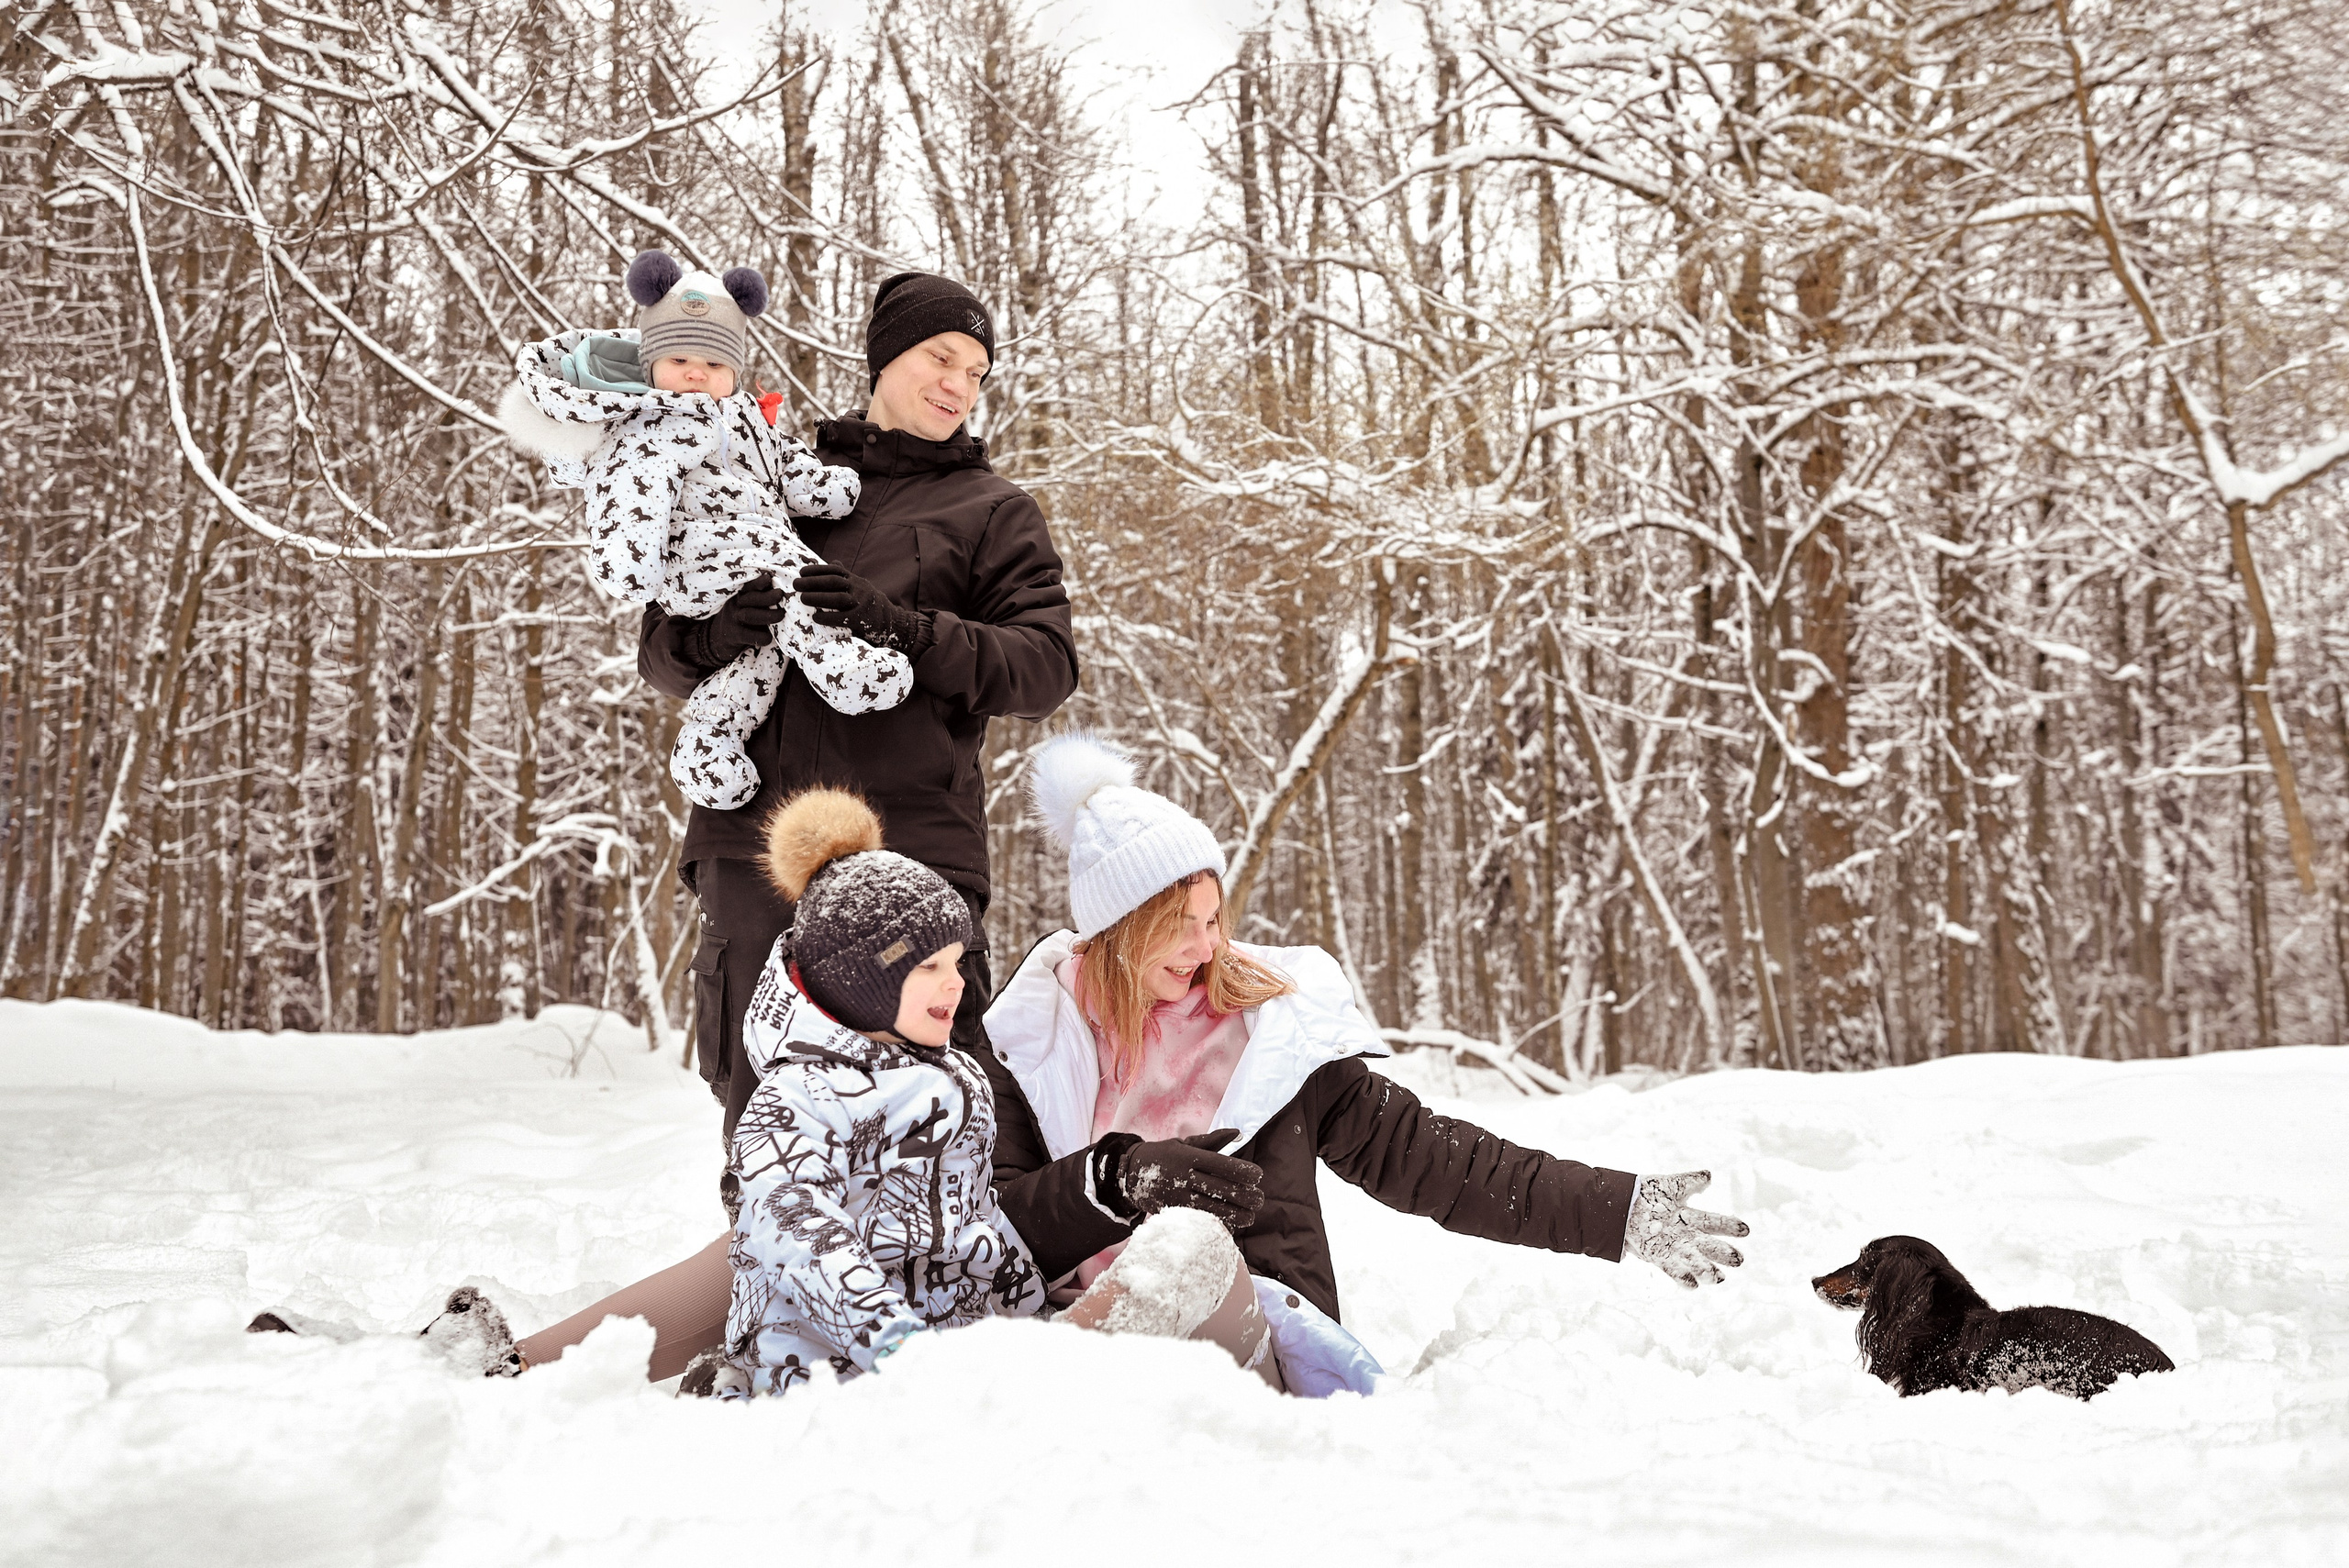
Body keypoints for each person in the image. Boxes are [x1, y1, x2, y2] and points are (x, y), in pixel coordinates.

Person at [510, 271, 1080, 1381]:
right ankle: (774, 1341)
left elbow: (1043, 666)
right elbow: (659, 649)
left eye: (974, 371)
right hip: (751, 839)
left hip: (906, 859)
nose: (958, 385)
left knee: (928, 1107)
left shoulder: (992, 510)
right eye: (938, 362)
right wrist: (719, 632)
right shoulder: (772, 469)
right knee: (763, 1100)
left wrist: (904, 627)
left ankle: (943, 1355)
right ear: (885, 362)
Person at [972, 735, 1754, 1395]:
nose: (1206, 946)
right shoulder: (1031, 1047)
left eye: (1213, 919)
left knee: (1186, 1248)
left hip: (1242, 1357)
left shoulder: (1273, 1042)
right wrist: (1114, 1179)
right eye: (1179, 926)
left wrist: (1616, 1212)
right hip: (1072, 1340)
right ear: (1118, 930)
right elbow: (997, 1229)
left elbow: (1436, 1160)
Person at [496, 250, 907, 811]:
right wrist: (632, 566)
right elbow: (628, 501)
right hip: (693, 558)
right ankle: (841, 667)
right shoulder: (641, 430)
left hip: (753, 552)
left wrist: (828, 489)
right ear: (650, 366)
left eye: (715, 365)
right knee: (796, 585)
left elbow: (782, 462)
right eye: (681, 358)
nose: (697, 374)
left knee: (762, 654)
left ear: (735, 373)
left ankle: (708, 745)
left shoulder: (740, 418)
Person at [713, 789, 1045, 1397]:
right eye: (929, 968)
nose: (958, 982)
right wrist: (902, 1350)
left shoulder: (959, 1079)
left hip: (950, 1353)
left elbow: (974, 1215)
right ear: (861, 981)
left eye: (957, 961)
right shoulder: (795, 1101)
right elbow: (801, 1235)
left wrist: (1026, 1306)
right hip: (825, 1372)